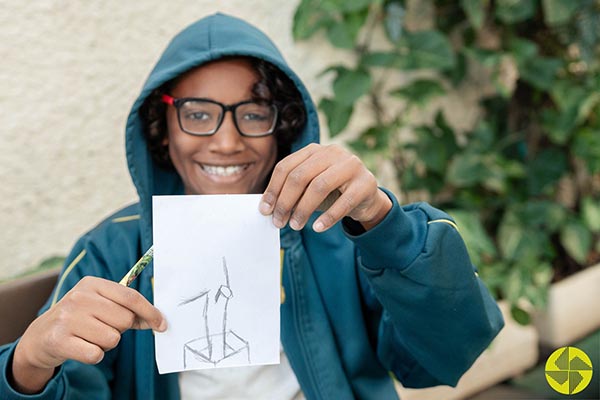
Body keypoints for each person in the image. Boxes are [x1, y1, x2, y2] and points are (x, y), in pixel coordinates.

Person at [0, 13, 504, 400]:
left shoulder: (339, 229)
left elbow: (442, 357)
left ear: (283, 124)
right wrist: (27, 363)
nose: (225, 142)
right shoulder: (112, 248)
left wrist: (383, 223)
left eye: (253, 113)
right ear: (162, 129)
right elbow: (64, 379)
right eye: (198, 114)